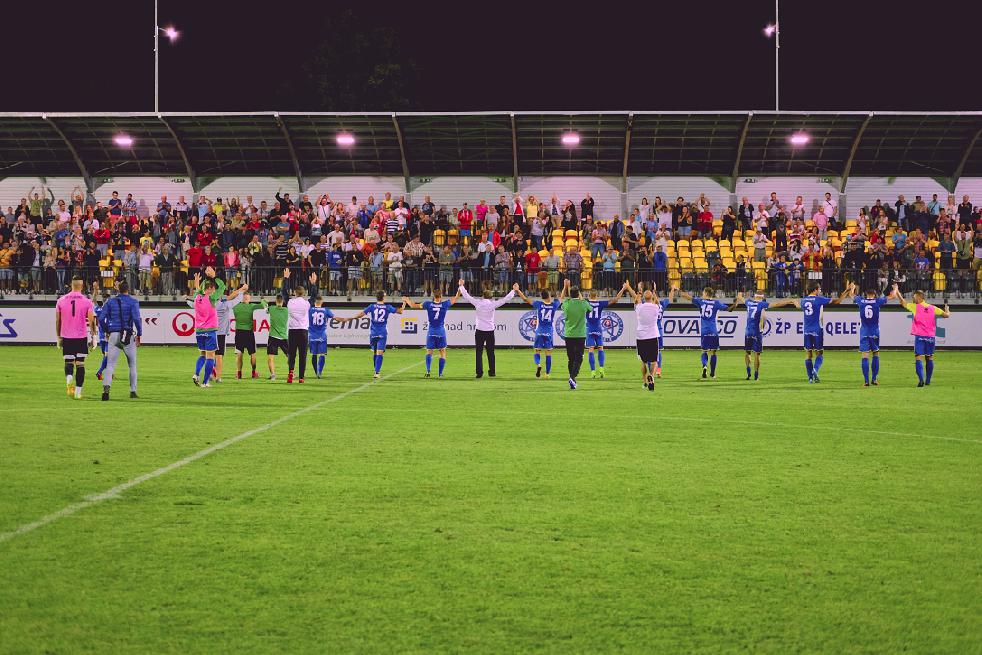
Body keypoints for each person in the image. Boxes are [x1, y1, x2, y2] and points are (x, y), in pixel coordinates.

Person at [788, 281, 851, 383]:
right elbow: (837, 301)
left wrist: (795, 303)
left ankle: (810, 378)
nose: (820, 290)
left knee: (808, 355)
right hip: (817, 330)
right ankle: (815, 370)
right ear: (815, 290)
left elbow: (799, 306)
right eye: (819, 289)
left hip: (807, 330)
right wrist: (846, 291)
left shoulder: (804, 301)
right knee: (819, 354)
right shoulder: (819, 299)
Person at [336, 292, 406, 379]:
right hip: (382, 332)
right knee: (379, 353)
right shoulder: (387, 307)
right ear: (383, 298)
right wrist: (404, 303)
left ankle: (376, 370)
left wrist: (351, 318)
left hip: (373, 333)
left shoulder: (372, 306)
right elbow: (401, 311)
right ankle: (377, 372)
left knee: (375, 352)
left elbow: (361, 314)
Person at [729, 291, 794, 381]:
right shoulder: (762, 304)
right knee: (757, 354)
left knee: (747, 352)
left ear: (755, 296)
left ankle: (748, 373)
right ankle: (756, 375)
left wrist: (739, 295)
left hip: (748, 331)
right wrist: (789, 301)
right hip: (757, 332)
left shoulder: (749, 303)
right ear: (762, 297)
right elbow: (777, 304)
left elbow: (740, 298)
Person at [458, 279, 517, 378]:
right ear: (491, 297)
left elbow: (467, 296)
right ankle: (492, 371)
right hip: (490, 331)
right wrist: (513, 290)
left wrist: (461, 285)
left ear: (483, 296)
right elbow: (505, 299)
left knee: (478, 352)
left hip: (480, 330)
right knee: (491, 352)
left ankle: (479, 373)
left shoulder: (478, 303)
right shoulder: (493, 304)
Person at [894, 288, 951, 387]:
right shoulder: (933, 308)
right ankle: (928, 380)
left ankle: (921, 380)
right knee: (929, 358)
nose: (913, 298)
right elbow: (946, 315)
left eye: (914, 297)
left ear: (919, 297)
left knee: (918, 358)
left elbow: (903, 303)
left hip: (920, 337)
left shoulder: (916, 307)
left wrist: (897, 291)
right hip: (930, 337)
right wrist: (947, 310)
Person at [845, 282, 898, 387]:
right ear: (874, 294)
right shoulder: (878, 301)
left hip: (864, 331)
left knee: (865, 355)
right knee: (875, 354)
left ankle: (866, 381)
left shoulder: (861, 301)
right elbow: (893, 296)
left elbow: (851, 295)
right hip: (875, 332)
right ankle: (874, 379)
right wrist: (895, 288)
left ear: (866, 294)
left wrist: (852, 288)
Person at [402, 288, 462, 378]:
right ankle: (440, 374)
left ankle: (428, 371)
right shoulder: (445, 304)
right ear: (441, 296)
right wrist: (460, 287)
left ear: (433, 296)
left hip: (431, 332)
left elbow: (413, 305)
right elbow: (457, 297)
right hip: (441, 332)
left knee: (429, 351)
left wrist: (407, 300)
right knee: (442, 351)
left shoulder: (428, 304)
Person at [99, 280, 142, 401]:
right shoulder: (133, 302)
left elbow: (101, 318)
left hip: (114, 334)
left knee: (110, 365)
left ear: (118, 289)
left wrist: (107, 330)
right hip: (128, 336)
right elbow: (136, 319)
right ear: (128, 289)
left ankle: (106, 390)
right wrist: (139, 333)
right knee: (132, 365)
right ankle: (133, 391)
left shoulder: (110, 302)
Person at [54, 277, 97, 399]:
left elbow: (58, 320)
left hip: (67, 336)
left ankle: (69, 378)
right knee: (80, 364)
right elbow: (92, 320)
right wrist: (94, 337)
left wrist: (58, 337)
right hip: (80, 337)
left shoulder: (61, 301)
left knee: (68, 361)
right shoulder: (87, 301)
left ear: (71, 285)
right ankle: (78, 392)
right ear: (82, 286)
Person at [675, 286, 728, 379]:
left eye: (703, 293)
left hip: (704, 331)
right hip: (713, 330)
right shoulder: (717, 303)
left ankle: (704, 366)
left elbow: (686, 296)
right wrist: (736, 303)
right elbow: (728, 308)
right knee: (713, 352)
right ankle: (713, 373)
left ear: (706, 294)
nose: (702, 294)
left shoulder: (700, 301)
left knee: (704, 351)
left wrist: (678, 290)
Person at [622, 280, 662, 391]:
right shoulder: (655, 308)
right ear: (652, 298)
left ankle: (644, 381)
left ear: (644, 298)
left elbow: (636, 300)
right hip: (653, 335)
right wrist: (654, 291)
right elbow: (657, 302)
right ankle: (652, 376)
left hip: (641, 337)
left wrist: (636, 290)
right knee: (654, 360)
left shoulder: (639, 308)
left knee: (643, 361)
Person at [514, 287, 561, 379]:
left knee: (537, 350)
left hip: (539, 331)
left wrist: (518, 290)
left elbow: (524, 299)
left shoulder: (538, 304)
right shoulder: (554, 305)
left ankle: (538, 364)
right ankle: (547, 374)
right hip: (548, 332)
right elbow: (562, 298)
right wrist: (565, 286)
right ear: (549, 296)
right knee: (548, 353)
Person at [191, 267, 226, 388]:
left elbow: (198, 291)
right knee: (210, 357)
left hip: (199, 331)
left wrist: (197, 283)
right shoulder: (212, 298)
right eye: (213, 288)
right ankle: (205, 382)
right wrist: (214, 276)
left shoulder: (197, 298)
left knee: (202, 355)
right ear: (210, 289)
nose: (214, 290)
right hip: (210, 330)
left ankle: (196, 374)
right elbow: (222, 287)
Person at [281, 268, 318, 384]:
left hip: (292, 331)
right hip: (303, 331)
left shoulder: (291, 302)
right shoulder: (306, 304)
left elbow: (283, 293)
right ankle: (301, 377)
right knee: (303, 355)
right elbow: (314, 297)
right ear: (304, 293)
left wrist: (286, 279)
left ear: (295, 293)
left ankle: (291, 372)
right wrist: (313, 284)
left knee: (292, 354)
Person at [585, 285, 629, 379]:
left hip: (589, 328)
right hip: (598, 328)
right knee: (601, 348)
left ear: (589, 295)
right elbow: (615, 299)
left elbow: (577, 299)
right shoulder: (601, 304)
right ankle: (601, 369)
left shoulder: (586, 303)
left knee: (591, 350)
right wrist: (623, 289)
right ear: (596, 295)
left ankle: (593, 371)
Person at [558, 279, 592, 390]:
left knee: (571, 359)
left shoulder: (567, 304)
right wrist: (578, 293)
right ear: (578, 294)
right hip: (580, 335)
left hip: (569, 335)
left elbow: (561, 299)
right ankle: (572, 377)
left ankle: (572, 379)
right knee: (579, 358)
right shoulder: (583, 304)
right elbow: (589, 308)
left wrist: (565, 286)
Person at [231, 291, 265, 379]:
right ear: (249, 298)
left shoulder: (235, 306)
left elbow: (228, 300)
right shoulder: (251, 306)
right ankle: (253, 372)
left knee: (239, 353)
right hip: (249, 332)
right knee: (252, 353)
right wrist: (262, 299)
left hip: (239, 332)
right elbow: (264, 305)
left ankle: (239, 373)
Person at [307, 294, 335, 379]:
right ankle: (319, 372)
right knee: (322, 354)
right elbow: (334, 317)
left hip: (312, 335)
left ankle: (316, 372)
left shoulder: (310, 310)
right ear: (322, 302)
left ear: (315, 302)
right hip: (322, 335)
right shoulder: (326, 310)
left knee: (314, 354)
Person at [265, 291, 289, 381]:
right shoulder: (287, 310)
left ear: (276, 301)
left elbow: (264, 305)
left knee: (270, 357)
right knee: (289, 356)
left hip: (273, 336)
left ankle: (273, 375)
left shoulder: (272, 309)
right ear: (282, 301)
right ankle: (291, 373)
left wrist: (264, 300)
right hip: (283, 336)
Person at [93, 298, 110, 381]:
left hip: (101, 337)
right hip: (108, 337)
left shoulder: (98, 310)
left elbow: (94, 303)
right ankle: (99, 372)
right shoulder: (111, 312)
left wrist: (95, 291)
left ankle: (108, 373)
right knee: (107, 356)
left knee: (105, 356)